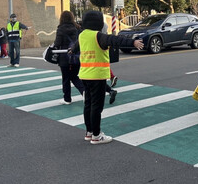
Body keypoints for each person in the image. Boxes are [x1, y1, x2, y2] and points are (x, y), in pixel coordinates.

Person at [71, 10, 144, 145]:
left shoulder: (82, 35)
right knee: (96, 107)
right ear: (98, 23)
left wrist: (71, 50)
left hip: (84, 75)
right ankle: (97, 136)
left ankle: (89, 132)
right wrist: (132, 42)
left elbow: (75, 47)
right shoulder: (99, 36)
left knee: (87, 105)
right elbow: (115, 40)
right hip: (97, 76)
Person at [53, 11, 86, 104]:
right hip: (76, 56)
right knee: (74, 76)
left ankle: (67, 99)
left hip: (64, 57)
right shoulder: (78, 28)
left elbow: (57, 43)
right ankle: (84, 91)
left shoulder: (60, 29)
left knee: (66, 78)